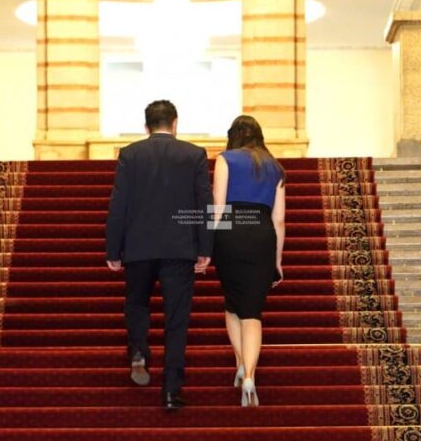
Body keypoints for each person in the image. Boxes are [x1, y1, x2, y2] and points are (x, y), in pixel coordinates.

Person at [105, 100, 214, 411]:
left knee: (136, 303)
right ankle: (171, 389)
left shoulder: (130, 154)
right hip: (180, 248)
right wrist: (205, 248)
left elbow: (119, 203)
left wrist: (113, 248)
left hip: (139, 247)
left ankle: (139, 350)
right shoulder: (194, 155)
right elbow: (203, 204)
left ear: (146, 126)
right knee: (176, 318)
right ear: (175, 123)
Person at [211, 115, 286, 407]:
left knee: (232, 305)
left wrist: (206, 243)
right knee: (252, 311)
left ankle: (242, 363)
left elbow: (218, 207)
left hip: (230, 234)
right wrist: (277, 261)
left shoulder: (225, 160)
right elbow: (279, 220)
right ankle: (250, 377)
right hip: (262, 236)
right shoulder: (275, 167)